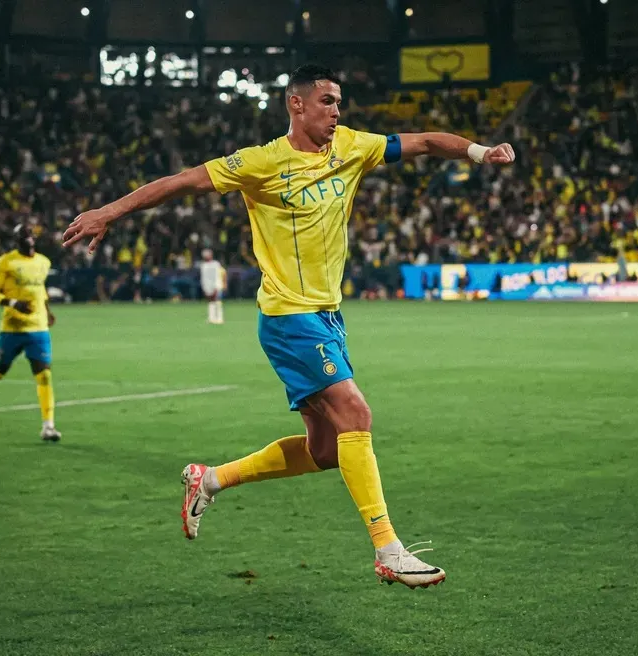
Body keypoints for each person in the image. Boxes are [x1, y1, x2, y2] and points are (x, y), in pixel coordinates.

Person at [62, 64, 515, 588]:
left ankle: (207, 480)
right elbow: (181, 182)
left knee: (325, 450)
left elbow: (427, 141)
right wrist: (111, 211)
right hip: (288, 316)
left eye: (339, 101)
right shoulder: (259, 162)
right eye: (326, 101)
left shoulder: (352, 146)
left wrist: (481, 152)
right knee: (356, 413)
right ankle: (388, 550)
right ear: (295, 105)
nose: (336, 111)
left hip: (327, 315)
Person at [0, 224, 60, 441]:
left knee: (44, 374)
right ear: (17, 241)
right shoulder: (6, 262)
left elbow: (40, 289)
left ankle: (48, 426)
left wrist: (47, 311)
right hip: (12, 327)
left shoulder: (43, 262)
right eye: (23, 236)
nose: (27, 238)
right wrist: (12, 302)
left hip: (38, 328)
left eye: (30, 234)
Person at [199, 248, 226, 324]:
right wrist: (204, 288)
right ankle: (211, 318)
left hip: (216, 286)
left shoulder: (215, 264)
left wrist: (216, 287)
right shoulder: (203, 265)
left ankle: (220, 318)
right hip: (208, 287)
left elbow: (217, 276)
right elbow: (204, 278)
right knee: (211, 302)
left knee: (218, 301)